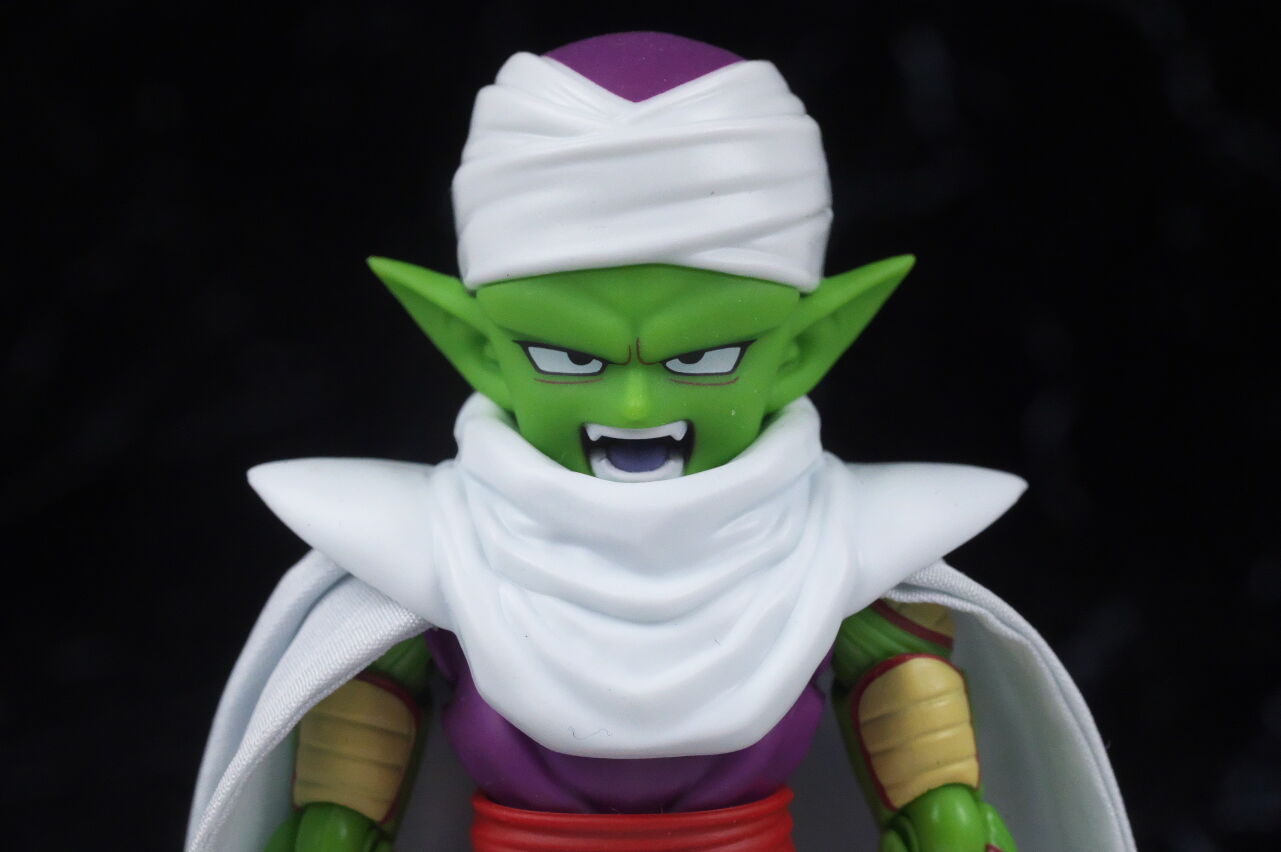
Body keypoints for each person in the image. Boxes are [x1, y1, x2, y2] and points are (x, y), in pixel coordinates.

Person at [187, 32, 1134, 852]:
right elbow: (341, 805)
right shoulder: (419, 557)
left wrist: (949, 822)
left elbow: (936, 793)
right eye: (568, 357)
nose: (636, 406)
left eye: (703, 356)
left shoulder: (850, 553)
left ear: (805, 347)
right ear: (473, 347)